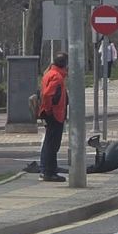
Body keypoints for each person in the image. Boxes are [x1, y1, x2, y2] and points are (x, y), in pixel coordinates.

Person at [37, 51, 69, 182]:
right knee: (52, 144)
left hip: (52, 113)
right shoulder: (57, 77)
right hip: (55, 114)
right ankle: (48, 172)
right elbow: (47, 95)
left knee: (49, 143)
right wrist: (49, 109)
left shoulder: (49, 73)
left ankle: (48, 170)